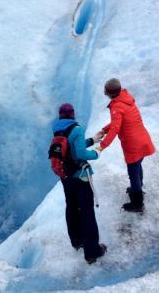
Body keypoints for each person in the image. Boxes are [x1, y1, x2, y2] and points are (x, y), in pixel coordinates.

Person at [52, 103, 107, 264]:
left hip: (65, 176)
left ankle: (77, 242)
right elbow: (80, 152)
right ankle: (92, 252)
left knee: (71, 207)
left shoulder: (57, 129)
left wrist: (92, 140)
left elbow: (71, 148)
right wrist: (96, 152)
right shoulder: (77, 128)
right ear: (73, 114)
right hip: (80, 176)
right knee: (87, 212)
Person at [95, 79, 155, 212]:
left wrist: (102, 146)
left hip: (133, 144)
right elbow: (119, 122)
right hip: (142, 139)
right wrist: (104, 130)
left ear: (109, 93)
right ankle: (137, 187)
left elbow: (116, 128)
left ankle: (137, 203)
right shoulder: (126, 99)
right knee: (138, 165)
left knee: (133, 172)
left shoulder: (117, 107)